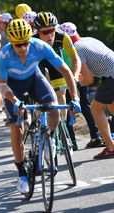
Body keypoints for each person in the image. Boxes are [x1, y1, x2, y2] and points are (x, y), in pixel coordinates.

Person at [0, 19, 80, 194]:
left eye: (25, 43)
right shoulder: (4, 55)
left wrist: (75, 98)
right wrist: (14, 101)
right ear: (11, 43)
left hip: (35, 79)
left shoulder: (40, 46)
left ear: (30, 39)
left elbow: (65, 70)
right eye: (18, 45)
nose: (22, 48)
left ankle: (46, 140)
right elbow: (2, 85)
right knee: (17, 127)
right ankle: (22, 175)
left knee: (54, 110)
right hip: (13, 87)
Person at [59, 22, 114, 159]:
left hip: (111, 75)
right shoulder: (88, 39)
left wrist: (70, 84)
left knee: (95, 109)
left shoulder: (77, 48)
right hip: (110, 73)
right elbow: (94, 69)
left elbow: (89, 80)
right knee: (112, 106)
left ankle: (111, 148)